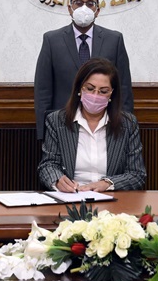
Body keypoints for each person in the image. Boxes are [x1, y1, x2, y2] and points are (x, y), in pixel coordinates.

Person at [34, 0, 133, 141]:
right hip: (62, 126)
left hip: (105, 126)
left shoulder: (114, 40)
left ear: (97, 10)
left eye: (90, 3)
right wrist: (43, 134)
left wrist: (126, 131)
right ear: (70, 8)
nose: (84, 8)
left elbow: (124, 88)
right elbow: (43, 91)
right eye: (78, 3)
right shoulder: (51, 40)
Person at [38, 58, 146, 192]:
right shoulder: (56, 121)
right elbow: (48, 165)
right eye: (90, 89)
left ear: (112, 94)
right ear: (80, 88)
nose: (95, 95)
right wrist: (58, 180)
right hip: (71, 196)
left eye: (103, 91)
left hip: (110, 197)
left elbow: (136, 174)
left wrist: (107, 183)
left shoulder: (128, 124)